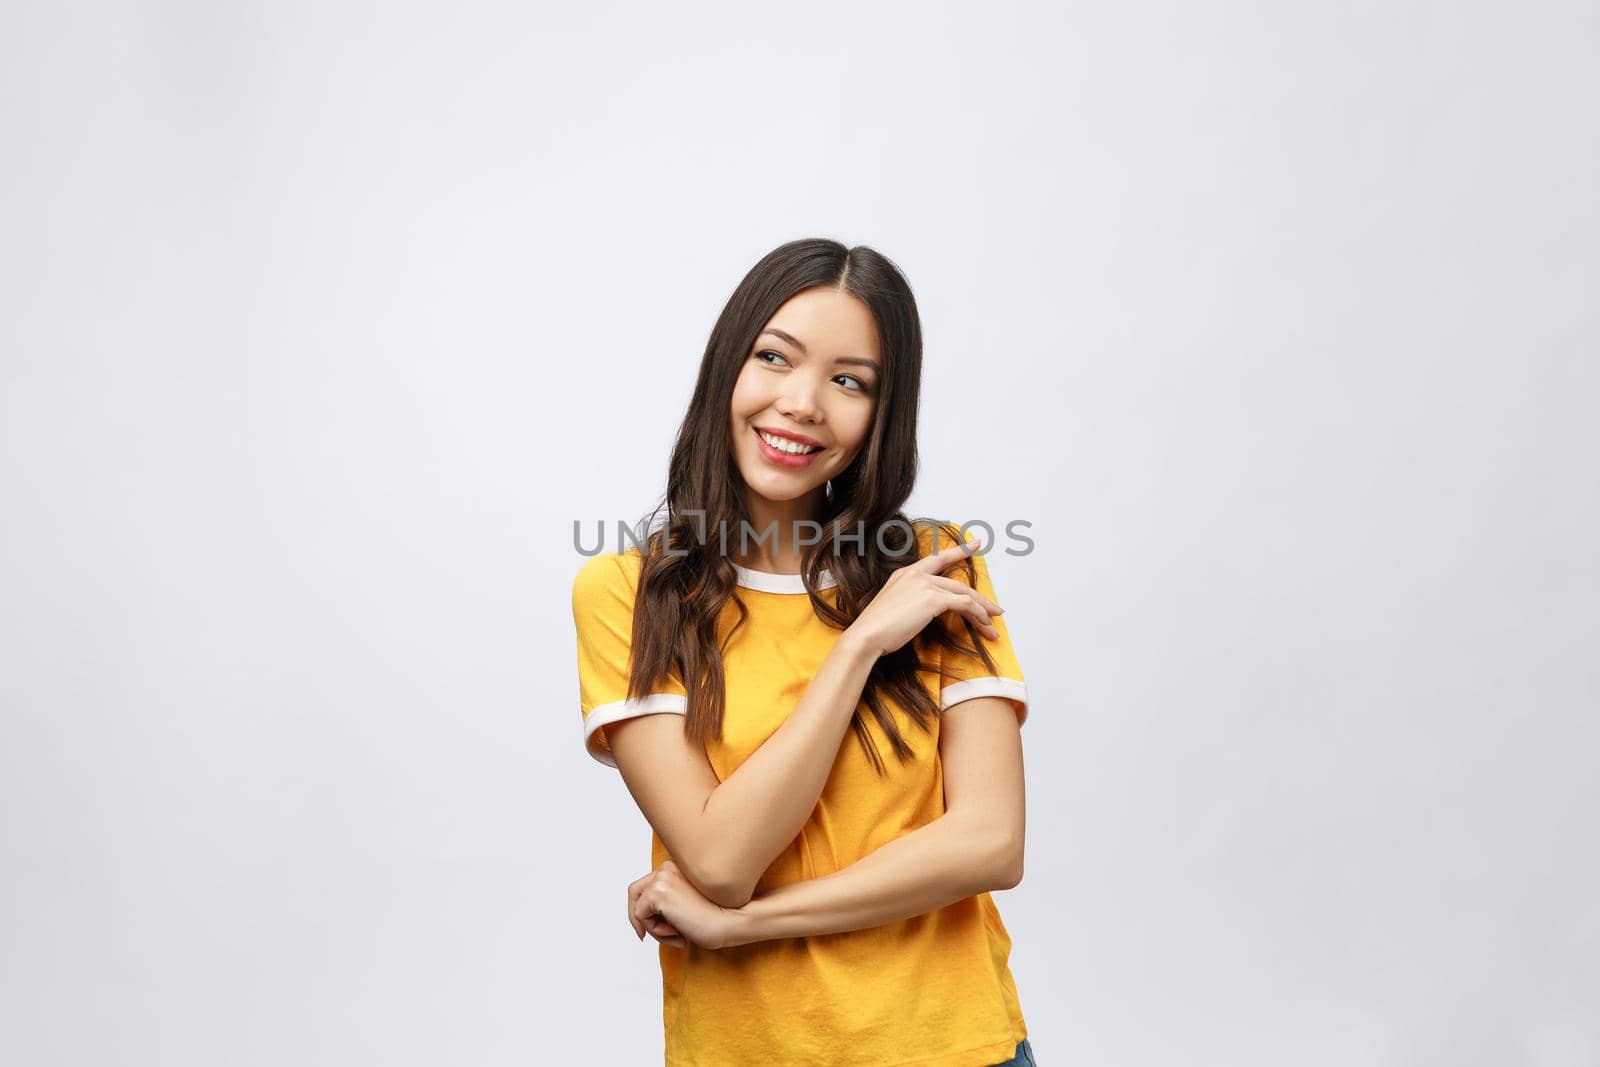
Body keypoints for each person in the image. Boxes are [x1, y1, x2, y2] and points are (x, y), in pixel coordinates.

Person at [570, 237, 1036, 1067]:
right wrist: (857, 647)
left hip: (955, 1047)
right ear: (728, 368)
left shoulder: (935, 568)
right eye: (774, 357)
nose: (803, 402)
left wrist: (748, 925)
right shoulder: (630, 593)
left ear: (883, 412)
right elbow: (719, 859)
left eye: (850, 380)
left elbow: (992, 844)